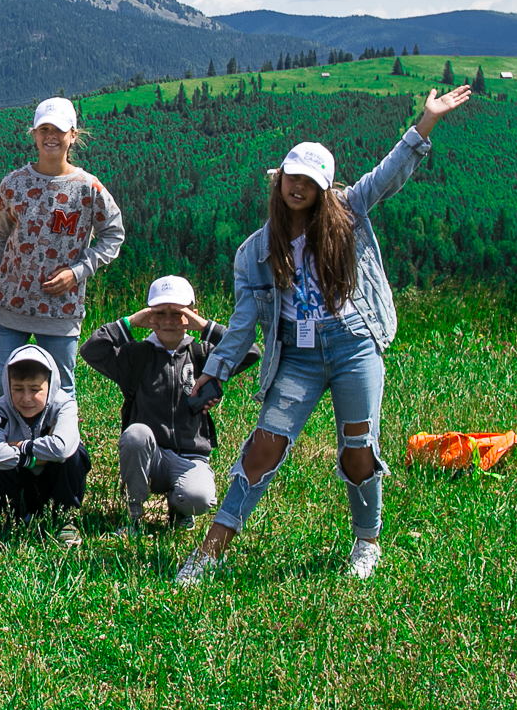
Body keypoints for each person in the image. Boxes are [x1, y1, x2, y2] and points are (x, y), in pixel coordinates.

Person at [177, 86, 472, 586]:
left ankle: (367, 542)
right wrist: (215, 371)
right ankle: (210, 552)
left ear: (323, 187)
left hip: (355, 344)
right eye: (291, 177)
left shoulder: (348, 214)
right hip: (298, 356)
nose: (298, 188)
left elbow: (388, 175)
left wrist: (425, 123)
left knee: (358, 448)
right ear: (279, 179)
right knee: (263, 447)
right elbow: (243, 324)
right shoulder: (254, 253)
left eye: (309, 181)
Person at [0, 97, 126, 403]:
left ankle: (57, 437)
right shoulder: (14, 184)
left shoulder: (88, 188)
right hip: (10, 305)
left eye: (58, 130)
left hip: (61, 309)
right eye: (44, 129)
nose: (51, 136)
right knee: (1, 388)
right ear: (34, 134)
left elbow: (114, 234)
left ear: (73, 135)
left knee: (60, 391)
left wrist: (78, 272)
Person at [81, 274, 248, 531]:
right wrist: (129, 322)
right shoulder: (136, 355)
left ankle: (180, 508)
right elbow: (91, 350)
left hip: (191, 456)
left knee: (200, 499)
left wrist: (206, 327)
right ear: (148, 315)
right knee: (136, 434)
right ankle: (133, 516)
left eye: (178, 313)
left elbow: (249, 351)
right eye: (159, 313)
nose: (168, 321)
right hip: (150, 456)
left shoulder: (203, 354)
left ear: (192, 315)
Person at [0, 344, 90, 546]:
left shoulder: (65, 405)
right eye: (18, 389)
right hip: (21, 480)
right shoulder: (0, 407)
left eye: (35, 389)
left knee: (74, 454)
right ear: (7, 385)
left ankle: (64, 519)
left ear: (51, 385)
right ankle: (17, 517)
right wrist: (33, 458)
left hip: (55, 481)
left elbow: (62, 448)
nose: (26, 398)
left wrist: (21, 446)